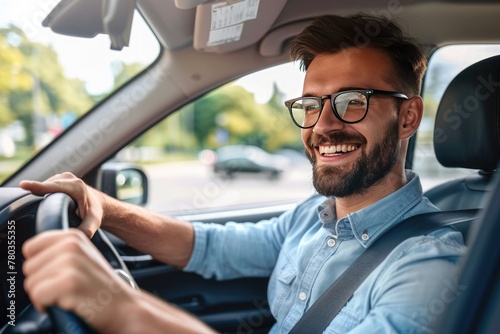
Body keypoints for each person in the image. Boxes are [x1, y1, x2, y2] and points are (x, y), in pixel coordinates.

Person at [20, 13, 465, 333]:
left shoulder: (429, 266)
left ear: (408, 118)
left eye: (353, 102)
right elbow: (209, 247)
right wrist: (102, 205)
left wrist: (127, 311)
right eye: (311, 105)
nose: (324, 126)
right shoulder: (311, 217)